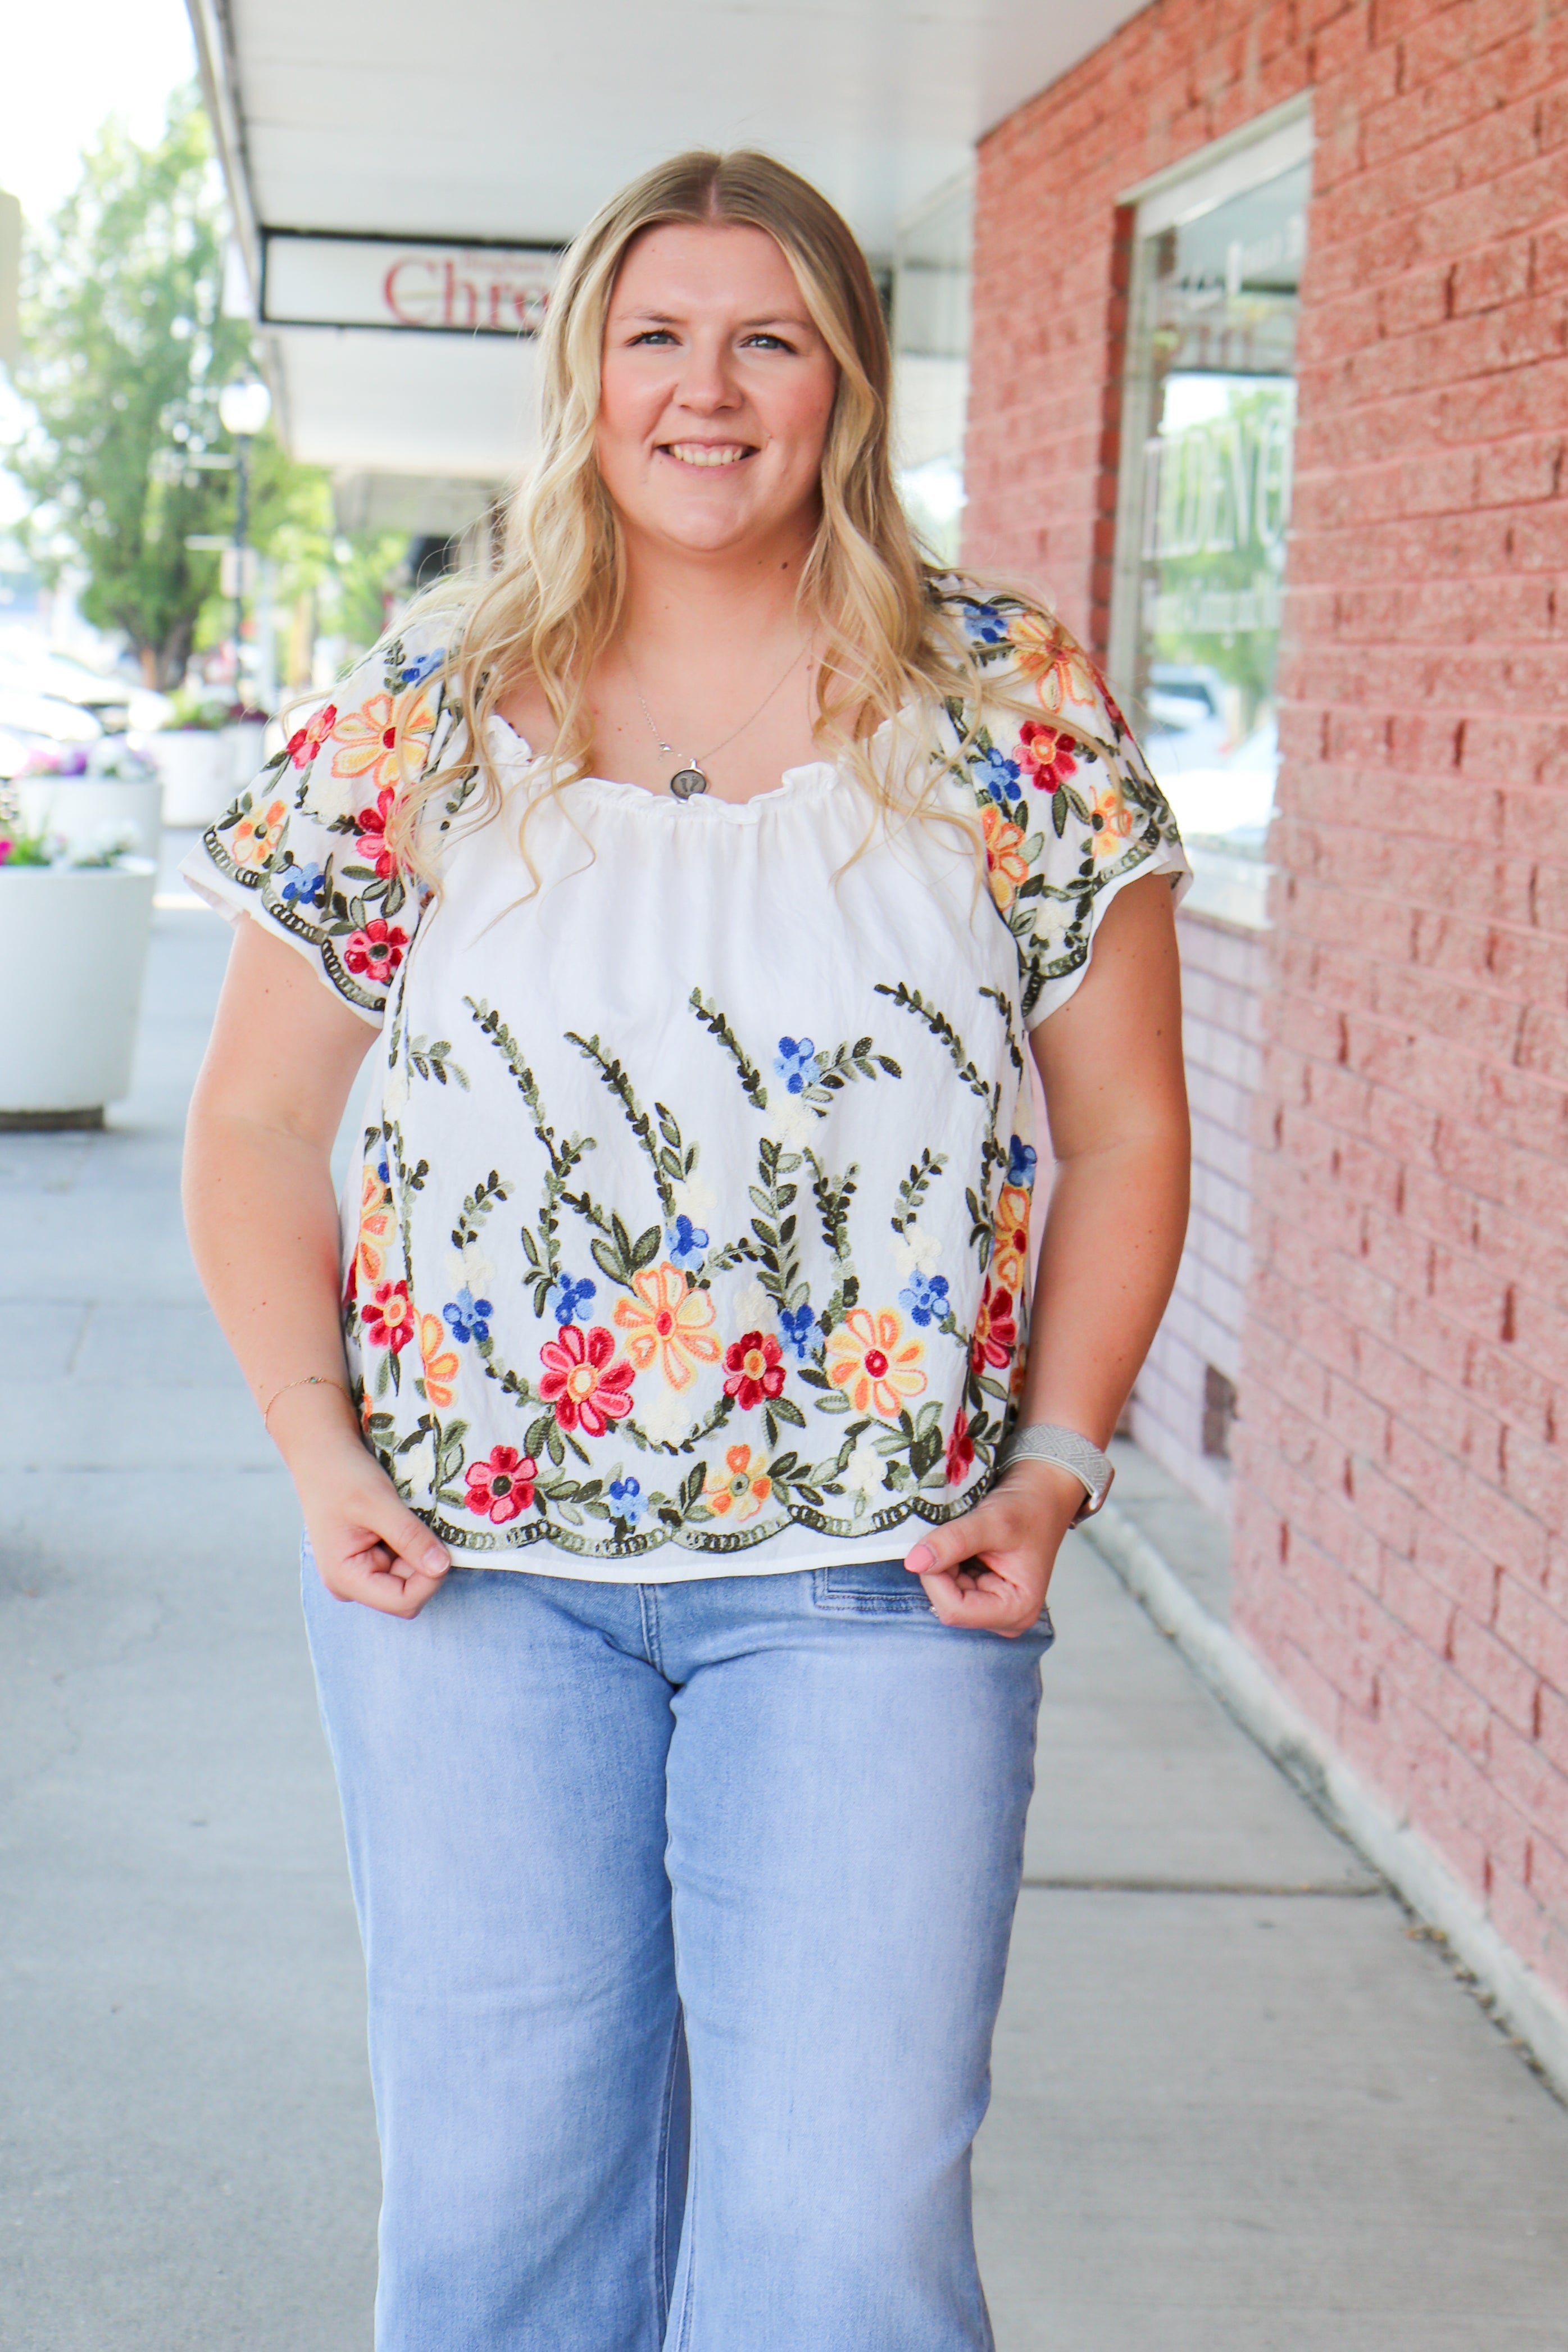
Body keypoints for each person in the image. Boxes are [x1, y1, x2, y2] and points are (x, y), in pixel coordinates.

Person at [182, 148, 1190, 2352]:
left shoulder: (1005, 707)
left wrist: (1057, 1463)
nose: (706, 389)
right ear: (586, 375)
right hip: (464, 1578)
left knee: (836, 2250)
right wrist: (315, 1446)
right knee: (501, 2223)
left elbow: (1119, 1128)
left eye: (767, 337)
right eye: (656, 335)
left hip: (873, 1580)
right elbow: (257, 1117)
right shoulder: (425, 702)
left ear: (841, 377)